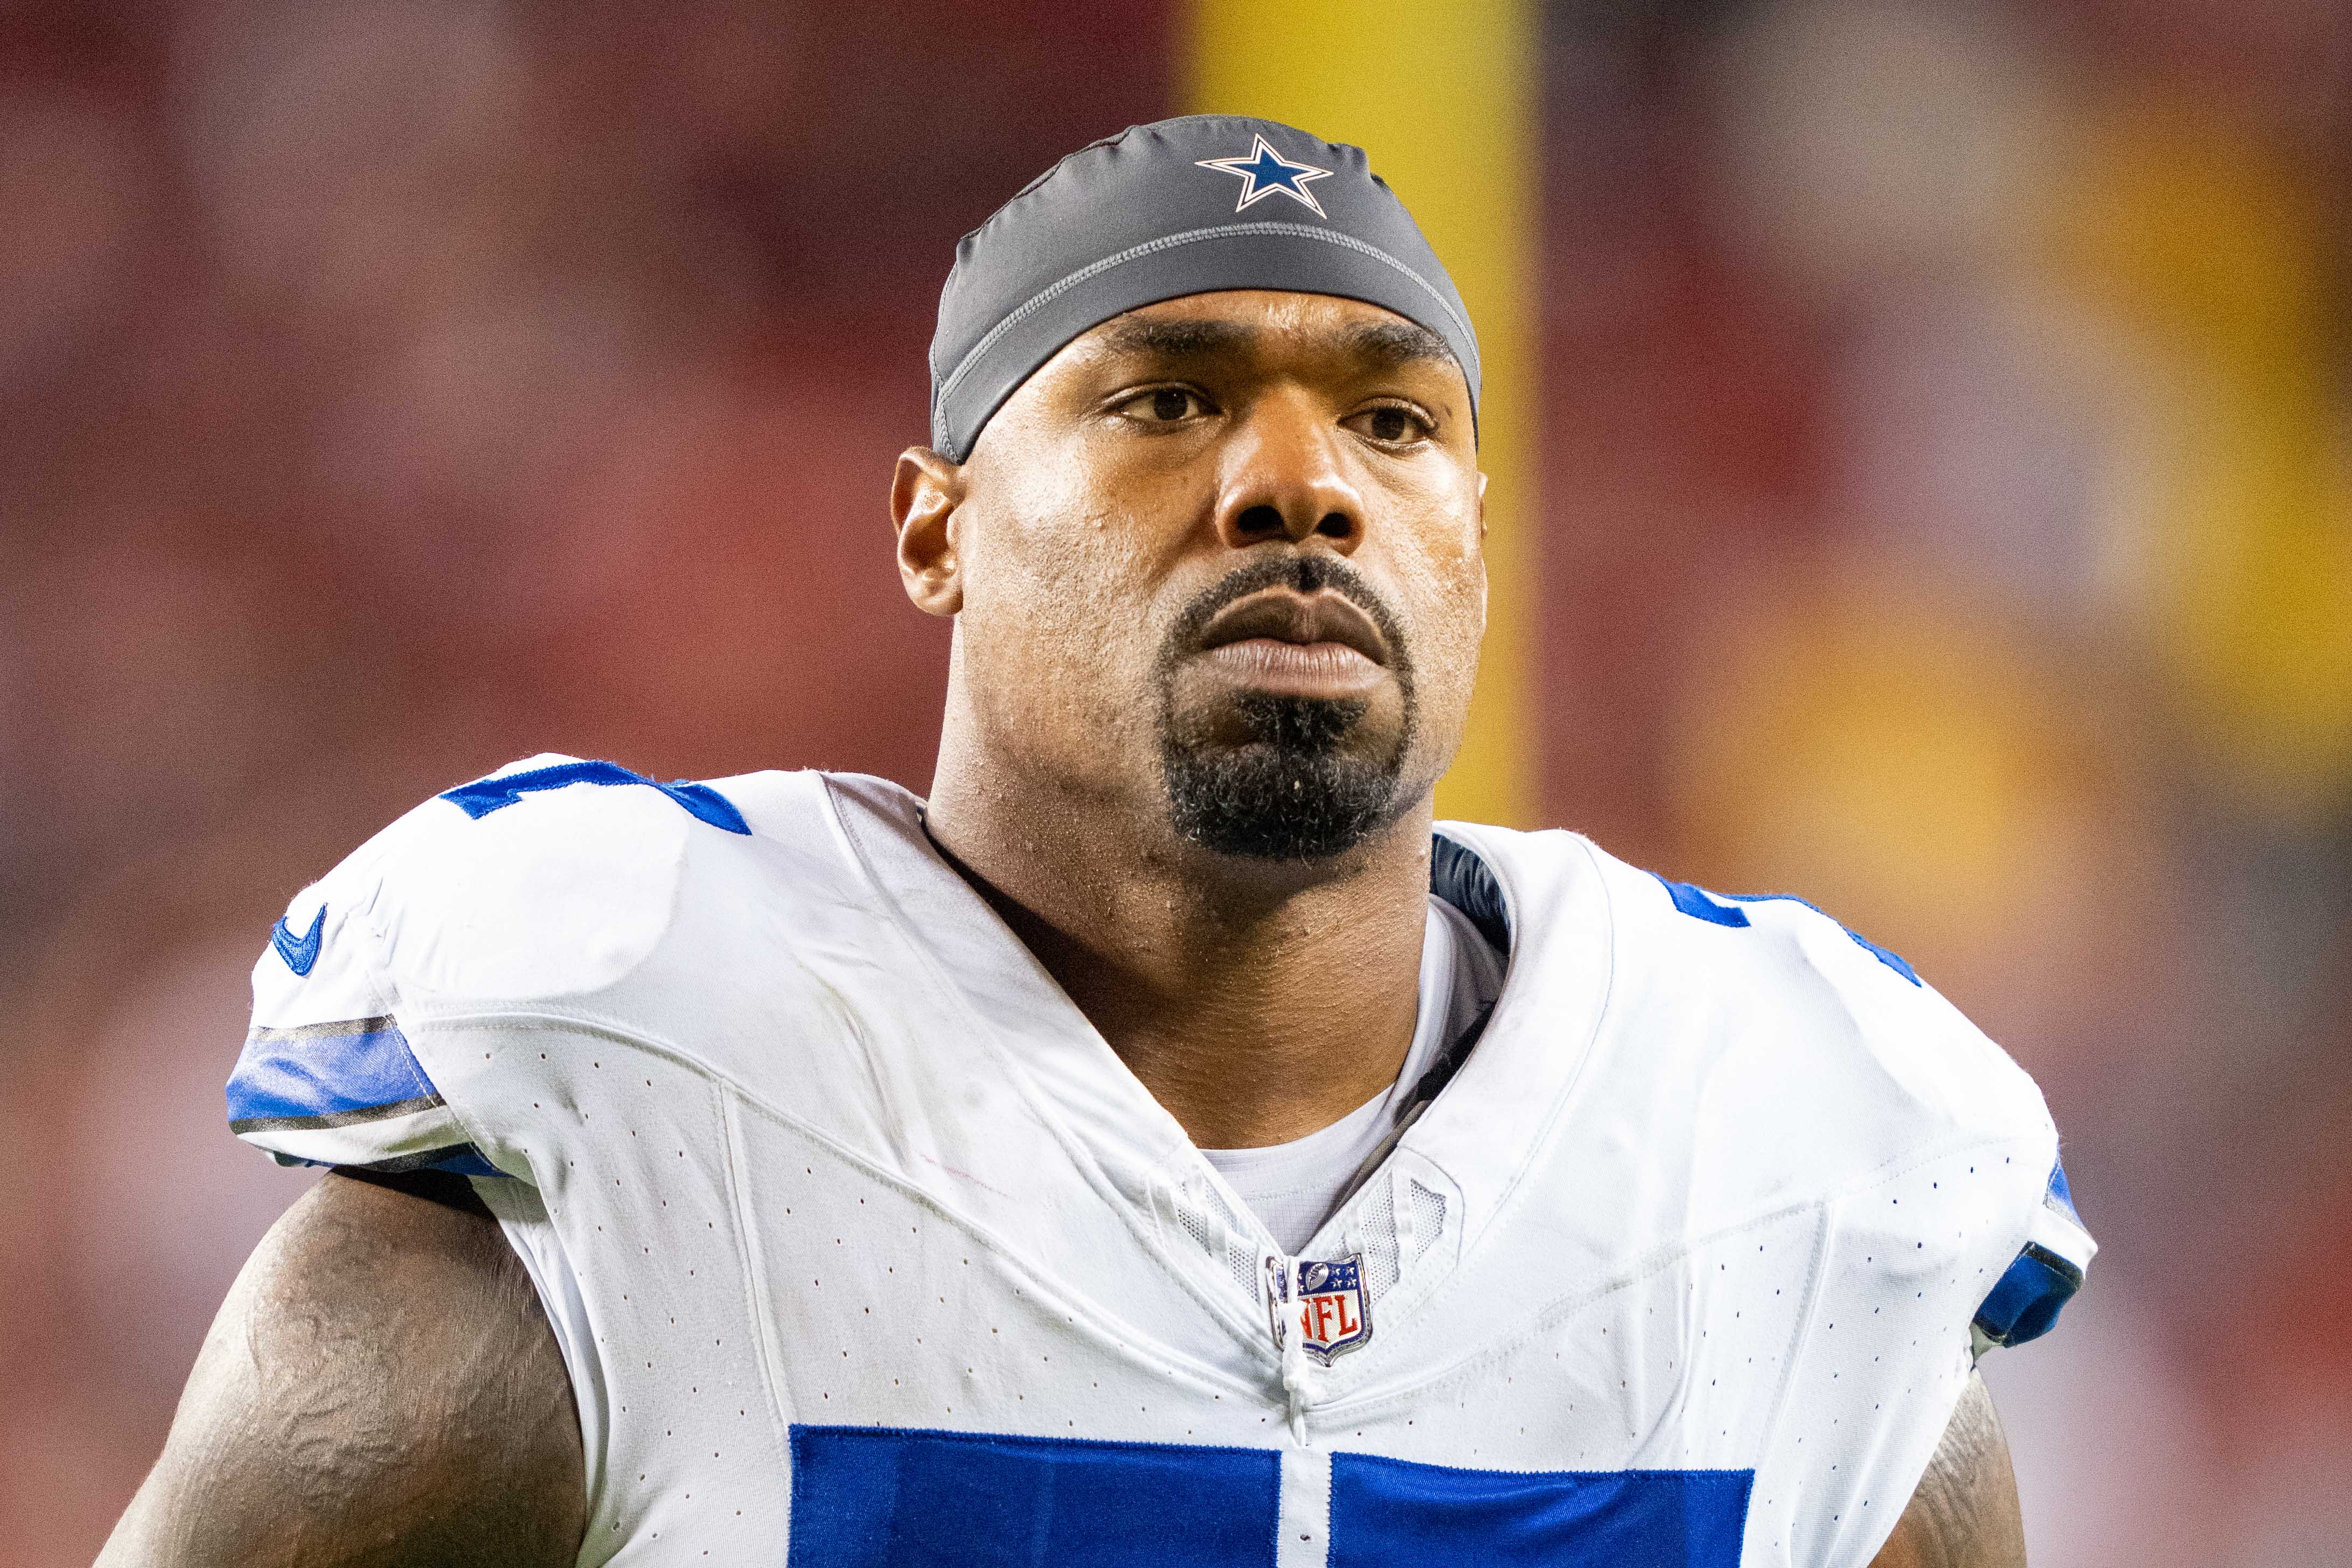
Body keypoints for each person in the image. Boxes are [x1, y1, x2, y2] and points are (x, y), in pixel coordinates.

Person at [99, 115, 2092, 1567]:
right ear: (936, 527)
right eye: (1168, 397)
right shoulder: (618, 1123)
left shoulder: (1795, 1191)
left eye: (1395, 425)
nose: (1299, 485)